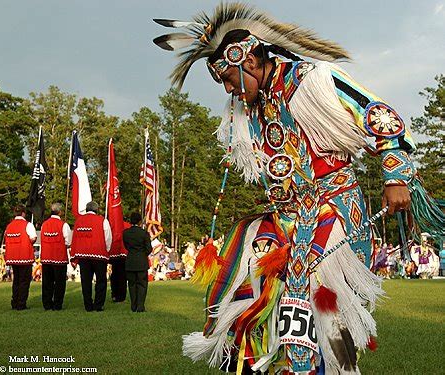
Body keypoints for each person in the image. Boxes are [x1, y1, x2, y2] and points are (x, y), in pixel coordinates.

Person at [153, 3, 444, 374]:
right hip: (284, 219)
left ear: (251, 62)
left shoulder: (311, 80)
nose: (227, 89)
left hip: (331, 210)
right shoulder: (249, 108)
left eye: (228, 78)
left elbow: (378, 113)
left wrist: (395, 175)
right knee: (247, 301)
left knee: (309, 309)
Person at [70, 201, 112, 312]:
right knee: (101, 281)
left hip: (83, 256)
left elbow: (75, 237)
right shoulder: (103, 221)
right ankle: (98, 305)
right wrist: (106, 250)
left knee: (86, 281)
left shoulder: (79, 221)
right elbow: (108, 238)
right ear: (96, 210)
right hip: (99, 255)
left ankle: (88, 305)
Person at [3, 205, 37, 310]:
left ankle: (14, 302)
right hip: (24, 256)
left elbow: (5, 238)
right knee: (24, 281)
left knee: (16, 281)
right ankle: (21, 304)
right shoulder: (28, 225)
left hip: (13, 257)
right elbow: (33, 238)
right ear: (23, 213)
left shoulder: (9, 226)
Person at [40, 203, 72, 310]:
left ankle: (47, 304)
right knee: (59, 283)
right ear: (61, 212)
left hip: (46, 258)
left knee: (47, 283)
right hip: (59, 258)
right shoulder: (64, 225)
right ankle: (57, 305)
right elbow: (68, 242)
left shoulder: (44, 224)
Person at [122, 212, 152, 312]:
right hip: (141, 262)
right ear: (140, 221)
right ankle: (140, 306)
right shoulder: (144, 233)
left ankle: (133, 306)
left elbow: (126, 246)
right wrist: (142, 254)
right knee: (142, 285)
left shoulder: (125, 233)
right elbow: (149, 249)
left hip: (130, 261)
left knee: (131, 285)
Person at [108, 220, 130, 303]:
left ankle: (114, 294)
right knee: (122, 276)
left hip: (114, 252)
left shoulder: (112, 224)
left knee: (115, 275)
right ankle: (121, 296)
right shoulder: (127, 225)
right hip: (123, 253)